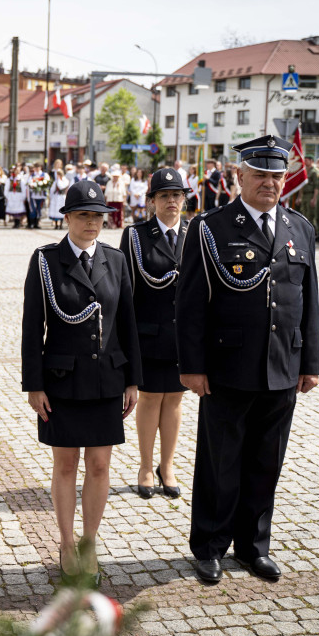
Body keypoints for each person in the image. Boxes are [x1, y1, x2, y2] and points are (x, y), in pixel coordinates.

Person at [176, 135, 319, 585]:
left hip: (281, 365)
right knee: (221, 461)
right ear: (239, 176)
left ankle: (254, 546)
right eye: (260, 174)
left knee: (266, 461)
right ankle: (210, 546)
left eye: (277, 175)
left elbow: (308, 300)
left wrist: (309, 362)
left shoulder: (300, 228)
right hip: (228, 366)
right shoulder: (211, 227)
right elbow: (191, 303)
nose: (270, 183)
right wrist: (192, 365)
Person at [21, 180, 142, 587]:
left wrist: (133, 380)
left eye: (98, 216)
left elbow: (128, 322)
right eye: (84, 215)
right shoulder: (45, 261)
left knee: (100, 464)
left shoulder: (116, 259)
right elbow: (30, 327)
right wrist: (33, 385)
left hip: (108, 378)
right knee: (66, 464)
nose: (92, 223)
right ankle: (66, 543)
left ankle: (89, 542)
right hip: (62, 381)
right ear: (67, 217)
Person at [119, 168, 189, 500]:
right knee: (148, 401)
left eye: (177, 195)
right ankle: (146, 466)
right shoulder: (135, 236)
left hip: (181, 337)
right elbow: (127, 290)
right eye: (164, 196)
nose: (172, 201)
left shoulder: (195, 234)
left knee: (174, 401)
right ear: (152, 201)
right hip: (147, 335)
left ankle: (168, 464)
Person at [47, 159, 68, 229]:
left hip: (62, 196)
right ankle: (56, 224)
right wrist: (50, 196)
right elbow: (52, 189)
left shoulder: (64, 180)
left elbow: (62, 186)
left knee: (61, 209)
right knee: (55, 209)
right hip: (56, 197)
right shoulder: (54, 180)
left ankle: (61, 224)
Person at [104, 164, 126, 229]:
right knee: (111, 213)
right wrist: (106, 201)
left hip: (119, 200)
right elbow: (106, 193)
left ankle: (119, 225)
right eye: (114, 176)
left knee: (119, 213)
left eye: (116, 176)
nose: (115, 178)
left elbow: (124, 193)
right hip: (110, 200)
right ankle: (111, 225)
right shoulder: (109, 183)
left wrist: (124, 202)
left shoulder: (121, 183)